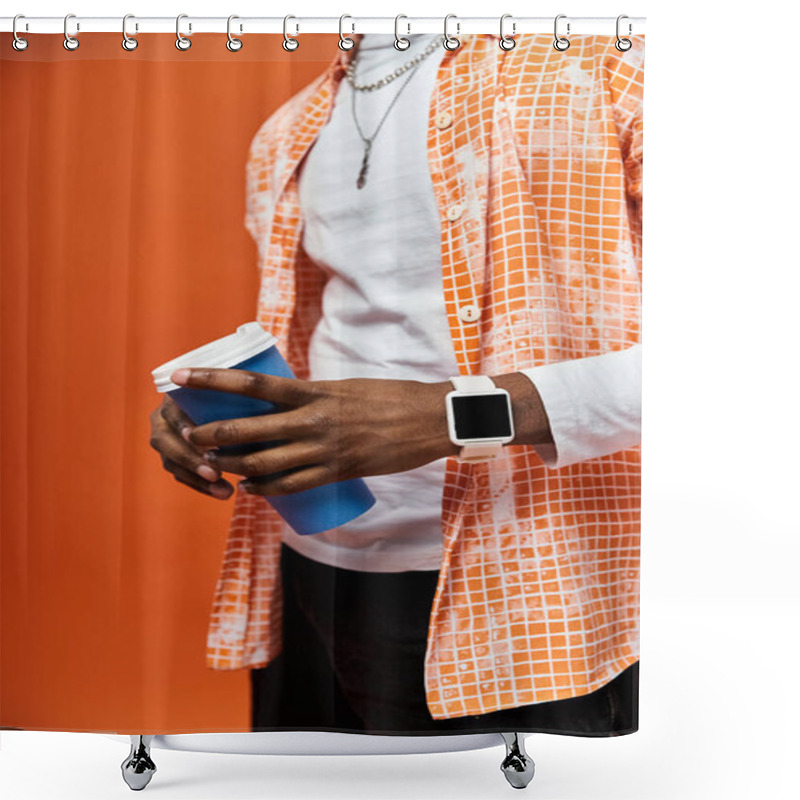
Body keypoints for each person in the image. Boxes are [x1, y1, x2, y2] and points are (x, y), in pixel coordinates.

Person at [149, 31, 643, 735]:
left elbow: (736, 359)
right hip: (310, 564)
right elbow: (325, 332)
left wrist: (451, 417)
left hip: (537, 585)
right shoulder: (289, 130)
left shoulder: (607, 66)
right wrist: (221, 415)